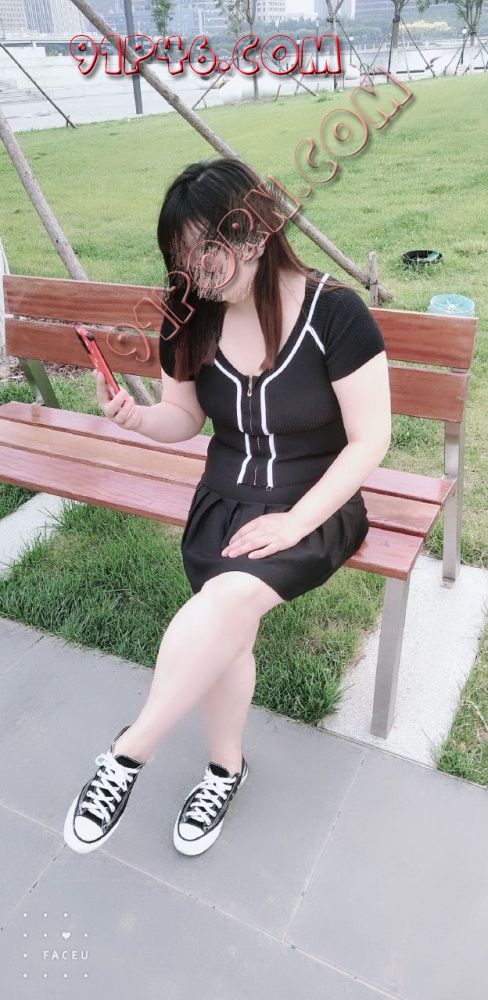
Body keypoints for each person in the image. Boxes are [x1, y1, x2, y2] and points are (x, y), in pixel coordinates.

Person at [63, 157, 391, 858]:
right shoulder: (188, 316)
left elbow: (372, 440)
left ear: (257, 229)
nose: (200, 271)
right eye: (184, 256)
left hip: (317, 504)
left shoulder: (336, 314)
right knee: (229, 627)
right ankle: (224, 770)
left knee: (228, 600)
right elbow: (183, 418)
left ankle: (128, 753)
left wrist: (296, 522)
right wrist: (135, 418)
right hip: (225, 501)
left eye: (211, 247)